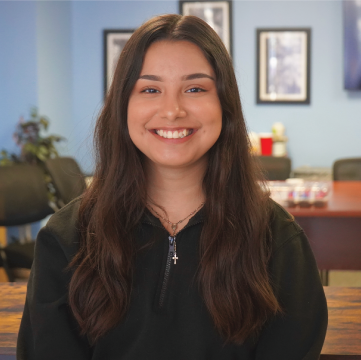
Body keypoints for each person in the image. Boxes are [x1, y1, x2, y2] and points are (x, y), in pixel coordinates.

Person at [17, 14, 327, 360]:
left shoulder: (278, 240)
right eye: (150, 89)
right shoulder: (66, 238)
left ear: (225, 104)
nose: (172, 110)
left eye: (195, 88)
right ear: (123, 106)